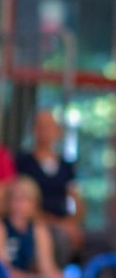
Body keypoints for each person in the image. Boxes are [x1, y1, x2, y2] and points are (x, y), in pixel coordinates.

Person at [15, 109, 85, 263]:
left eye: (50, 126)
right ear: (33, 130)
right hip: (33, 221)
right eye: (41, 126)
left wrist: (72, 223)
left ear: (58, 131)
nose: (45, 131)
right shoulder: (23, 163)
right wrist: (57, 224)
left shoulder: (66, 166)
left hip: (61, 223)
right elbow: (21, 200)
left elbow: (76, 199)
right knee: (55, 237)